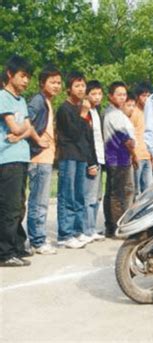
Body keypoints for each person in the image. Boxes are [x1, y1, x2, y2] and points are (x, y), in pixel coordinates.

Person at [56, 71, 98, 249]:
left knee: (79, 195)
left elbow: (87, 137)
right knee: (68, 195)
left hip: (81, 156)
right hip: (68, 156)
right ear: (68, 89)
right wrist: (83, 114)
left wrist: (91, 160)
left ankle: (78, 231)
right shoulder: (65, 109)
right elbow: (73, 133)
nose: (81, 89)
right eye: (77, 86)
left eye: (83, 85)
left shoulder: (82, 108)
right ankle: (65, 234)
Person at [0, 55, 34, 267]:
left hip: (21, 156)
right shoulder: (3, 97)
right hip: (8, 159)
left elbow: (27, 129)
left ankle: (17, 245)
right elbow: (15, 127)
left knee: (20, 205)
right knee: (9, 207)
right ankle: (5, 252)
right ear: (10, 75)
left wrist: (21, 133)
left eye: (28, 77)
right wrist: (22, 131)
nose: (25, 81)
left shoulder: (21, 101)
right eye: (22, 76)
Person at [26, 65, 62, 255]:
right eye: (52, 82)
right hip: (39, 158)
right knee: (38, 201)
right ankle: (37, 241)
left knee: (41, 200)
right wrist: (38, 140)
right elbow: (27, 123)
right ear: (42, 83)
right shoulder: (38, 102)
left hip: (46, 158)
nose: (56, 86)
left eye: (58, 82)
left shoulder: (46, 101)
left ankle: (37, 236)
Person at [103, 82, 136, 238]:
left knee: (112, 193)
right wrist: (134, 153)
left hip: (116, 158)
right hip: (118, 158)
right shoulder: (113, 114)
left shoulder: (115, 112)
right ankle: (116, 227)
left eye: (124, 94)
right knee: (118, 195)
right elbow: (127, 140)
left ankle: (111, 226)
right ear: (110, 96)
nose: (122, 97)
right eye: (118, 94)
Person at [83, 80, 106, 241]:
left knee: (97, 195)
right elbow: (85, 139)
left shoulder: (97, 110)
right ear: (87, 95)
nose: (97, 97)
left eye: (99, 93)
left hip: (100, 157)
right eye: (93, 94)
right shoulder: (85, 112)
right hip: (91, 158)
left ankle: (91, 228)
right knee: (89, 196)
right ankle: (86, 229)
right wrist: (90, 161)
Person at [130, 83, 153, 196]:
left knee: (149, 191)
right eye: (144, 95)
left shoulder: (151, 113)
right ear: (138, 96)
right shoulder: (133, 111)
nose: (146, 98)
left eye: (149, 95)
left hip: (148, 156)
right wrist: (132, 154)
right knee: (136, 191)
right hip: (137, 155)